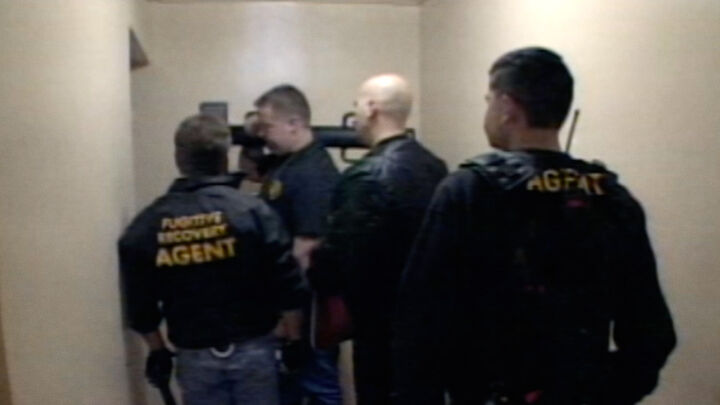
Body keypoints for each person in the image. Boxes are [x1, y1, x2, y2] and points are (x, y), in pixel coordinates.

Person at [394, 47, 677, 405]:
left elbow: (420, 325)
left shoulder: (469, 192)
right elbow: (651, 334)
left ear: (507, 107)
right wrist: (600, 391)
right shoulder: (610, 198)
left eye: (489, 102)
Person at [118, 114, 307, 405]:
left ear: (179, 158)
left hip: (194, 356)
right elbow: (288, 284)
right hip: (254, 350)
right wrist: (294, 340)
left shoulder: (148, 224)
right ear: (224, 157)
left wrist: (157, 349)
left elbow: (139, 303)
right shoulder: (254, 212)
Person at [309, 74, 448, 405]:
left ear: (371, 108)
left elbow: (342, 265)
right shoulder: (435, 167)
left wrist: (317, 264)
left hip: (379, 331)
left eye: (357, 104)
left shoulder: (363, 178)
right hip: (430, 328)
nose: (354, 114)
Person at [254, 84, 343, 405]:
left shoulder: (313, 173)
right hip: (288, 305)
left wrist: (288, 318)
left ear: (294, 123)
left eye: (267, 126)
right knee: (290, 386)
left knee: (317, 385)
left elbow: (306, 249)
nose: (262, 134)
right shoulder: (288, 164)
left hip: (306, 310)